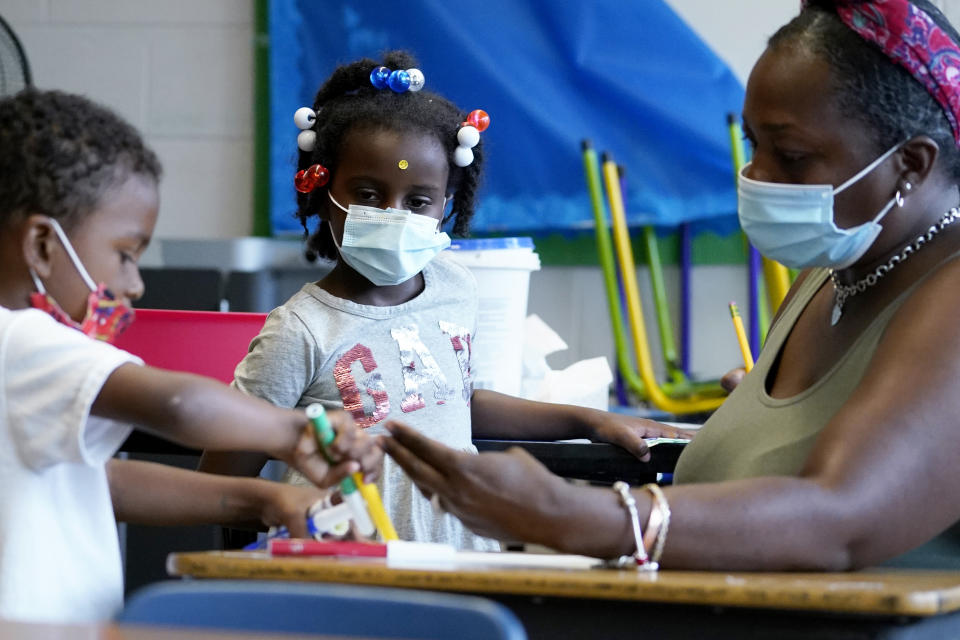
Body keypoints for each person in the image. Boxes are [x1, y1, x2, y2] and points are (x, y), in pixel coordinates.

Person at [383, 0, 960, 571]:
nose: (756, 176)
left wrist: (564, 513)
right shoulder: (828, 275)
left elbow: (842, 517)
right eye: (754, 146)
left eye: (791, 155)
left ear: (911, 163)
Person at [198, 50, 690, 551]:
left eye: (416, 201)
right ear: (323, 192)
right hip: (346, 577)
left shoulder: (456, 288)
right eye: (368, 194)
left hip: (462, 555)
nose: (393, 214)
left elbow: (454, 402)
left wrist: (589, 421)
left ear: (446, 204)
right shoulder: (300, 329)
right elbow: (223, 481)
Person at [0, 89, 382, 624]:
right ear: (43, 244)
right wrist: (294, 433)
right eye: (126, 255)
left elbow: (98, 481)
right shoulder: (19, 339)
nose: (133, 285)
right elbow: (180, 404)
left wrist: (266, 501)